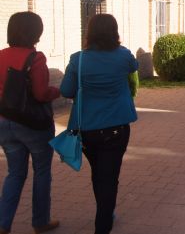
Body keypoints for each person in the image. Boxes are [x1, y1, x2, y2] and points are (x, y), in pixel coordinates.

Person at [59, 14, 138, 234]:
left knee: (99, 172)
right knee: (109, 176)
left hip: (88, 129)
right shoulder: (123, 56)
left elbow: (65, 90)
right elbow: (134, 66)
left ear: (89, 32)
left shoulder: (79, 59)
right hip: (117, 127)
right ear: (115, 32)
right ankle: (103, 223)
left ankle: (105, 211)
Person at [0, 12, 60, 234]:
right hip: (32, 125)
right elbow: (41, 93)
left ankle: (3, 224)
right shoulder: (36, 58)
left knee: (14, 173)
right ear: (35, 32)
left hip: (5, 122)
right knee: (42, 171)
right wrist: (58, 91)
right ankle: (40, 221)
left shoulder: (1, 55)